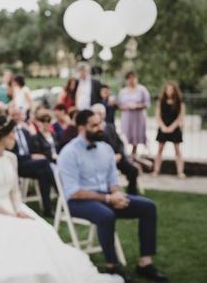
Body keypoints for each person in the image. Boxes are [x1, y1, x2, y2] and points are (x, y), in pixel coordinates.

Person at [0, 115, 123, 283]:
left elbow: (14, 192)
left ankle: (43, 271)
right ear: (2, 135)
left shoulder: (11, 158)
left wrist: (17, 210)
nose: (15, 136)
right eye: (12, 133)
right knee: (13, 232)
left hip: (13, 206)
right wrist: (10, 214)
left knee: (41, 229)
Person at [58, 110, 169, 283]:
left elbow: (112, 180)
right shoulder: (69, 152)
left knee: (148, 207)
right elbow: (74, 191)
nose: (100, 128)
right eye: (94, 125)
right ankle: (112, 265)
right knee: (106, 215)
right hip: (77, 201)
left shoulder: (106, 148)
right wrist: (108, 199)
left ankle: (145, 263)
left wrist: (117, 193)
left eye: (100, 123)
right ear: (81, 128)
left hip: (106, 196)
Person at [9, 106, 56, 216]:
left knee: (43, 172)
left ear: (21, 116)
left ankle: (47, 208)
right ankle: (59, 192)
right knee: (44, 164)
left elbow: (34, 148)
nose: (16, 117)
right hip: (17, 164)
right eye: (13, 115)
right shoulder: (9, 133)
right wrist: (31, 157)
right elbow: (11, 155)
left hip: (29, 163)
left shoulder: (25, 131)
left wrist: (33, 135)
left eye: (18, 115)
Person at [92, 104, 140, 195]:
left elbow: (119, 143)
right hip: (104, 160)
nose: (100, 115)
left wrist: (120, 154)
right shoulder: (93, 131)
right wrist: (111, 157)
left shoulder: (110, 126)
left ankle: (132, 193)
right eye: (98, 113)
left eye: (102, 113)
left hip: (118, 157)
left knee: (133, 170)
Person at [153, 82, 185, 178]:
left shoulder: (179, 101)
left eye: (171, 89)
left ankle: (180, 172)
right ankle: (156, 170)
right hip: (163, 127)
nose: (169, 91)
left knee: (177, 150)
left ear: (175, 90)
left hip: (175, 128)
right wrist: (163, 127)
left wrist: (172, 127)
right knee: (160, 150)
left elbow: (181, 116)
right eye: (168, 89)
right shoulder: (161, 101)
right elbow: (157, 116)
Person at [118, 71, 151, 156]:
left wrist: (137, 106)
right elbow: (119, 106)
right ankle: (125, 154)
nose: (131, 80)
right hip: (127, 117)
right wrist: (128, 106)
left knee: (136, 136)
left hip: (138, 117)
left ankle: (134, 153)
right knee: (125, 136)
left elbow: (147, 104)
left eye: (133, 78)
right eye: (129, 78)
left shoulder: (142, 89)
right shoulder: (123, 91)